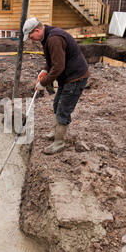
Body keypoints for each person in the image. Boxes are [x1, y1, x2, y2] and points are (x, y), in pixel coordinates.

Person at [23, 17, 89, 154]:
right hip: (67, 78)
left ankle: (59, 143)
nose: (31, 39)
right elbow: (52, 60)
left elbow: (58, 67)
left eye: (31, 36)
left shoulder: (54, 39)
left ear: (37, 30)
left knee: (63, 111)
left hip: (75, 78)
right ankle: (55, 132)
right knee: (56, 105)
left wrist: (43, 83)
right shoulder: (46, 36)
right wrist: (45, 70)